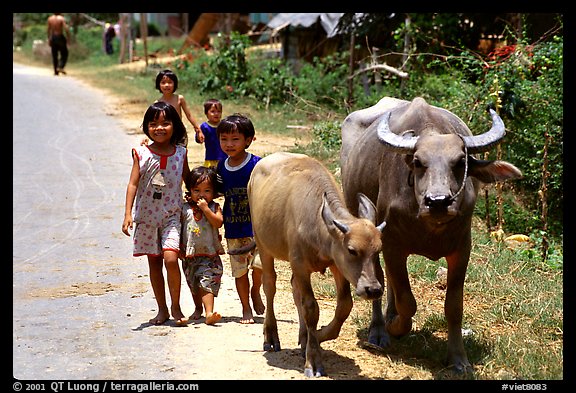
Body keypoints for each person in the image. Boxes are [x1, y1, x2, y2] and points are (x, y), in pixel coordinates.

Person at [122, 101, 190, 326]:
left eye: (165, 123)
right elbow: (133, 184)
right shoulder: (141, 153)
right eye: (153, 124)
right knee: (154, 263)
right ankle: (162, 308)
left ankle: (176, 306)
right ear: (146, 127)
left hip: (171, 214)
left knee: (171, 258)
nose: (159, 128)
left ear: (174, 126)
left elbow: (188, 179)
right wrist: (128, 214)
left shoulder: (181, 153)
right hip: (147, 217)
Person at [216, 114, 264, 324]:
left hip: (258, 228)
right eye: (224, 139)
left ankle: (257, 290)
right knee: (240, 272)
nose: (229, 144)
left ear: (249, 139)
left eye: (235, 139)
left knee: (261, 266)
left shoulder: (258, 164)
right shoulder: (220, 167)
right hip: (234, 227)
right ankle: (246, 308)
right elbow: (214, 192)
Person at [180, 166, 225, 325]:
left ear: (214, 192)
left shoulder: (214, 207)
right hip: (190, 254)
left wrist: (206, 210)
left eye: (207, 191)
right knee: (193, 283)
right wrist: (179, 248)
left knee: (207, 282)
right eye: (197, 190)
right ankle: (198, 308)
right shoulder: (184, 209)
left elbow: (218, 222)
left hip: (209, 254)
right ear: (190, 191)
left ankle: (209, 312)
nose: (201, 194)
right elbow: (180, 229)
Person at [155, 69, 202, 143]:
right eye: (163, 82)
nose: (166, 85)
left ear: (175, 84)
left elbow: (189, 115)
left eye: (170, 82)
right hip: (165, 134)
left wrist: (198, 129)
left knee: (181, 153)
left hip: (179, 132)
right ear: (158, 85)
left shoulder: (179, 99)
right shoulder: (157, 103)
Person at [196, 98, 227, 168]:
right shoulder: (204, 127)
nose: (216, 114)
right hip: (210, 159)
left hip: (224, 158)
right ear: (206, 113)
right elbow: (199, 140)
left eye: (219, 111)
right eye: (213, 111)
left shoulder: (224, 125)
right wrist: (199, 135)